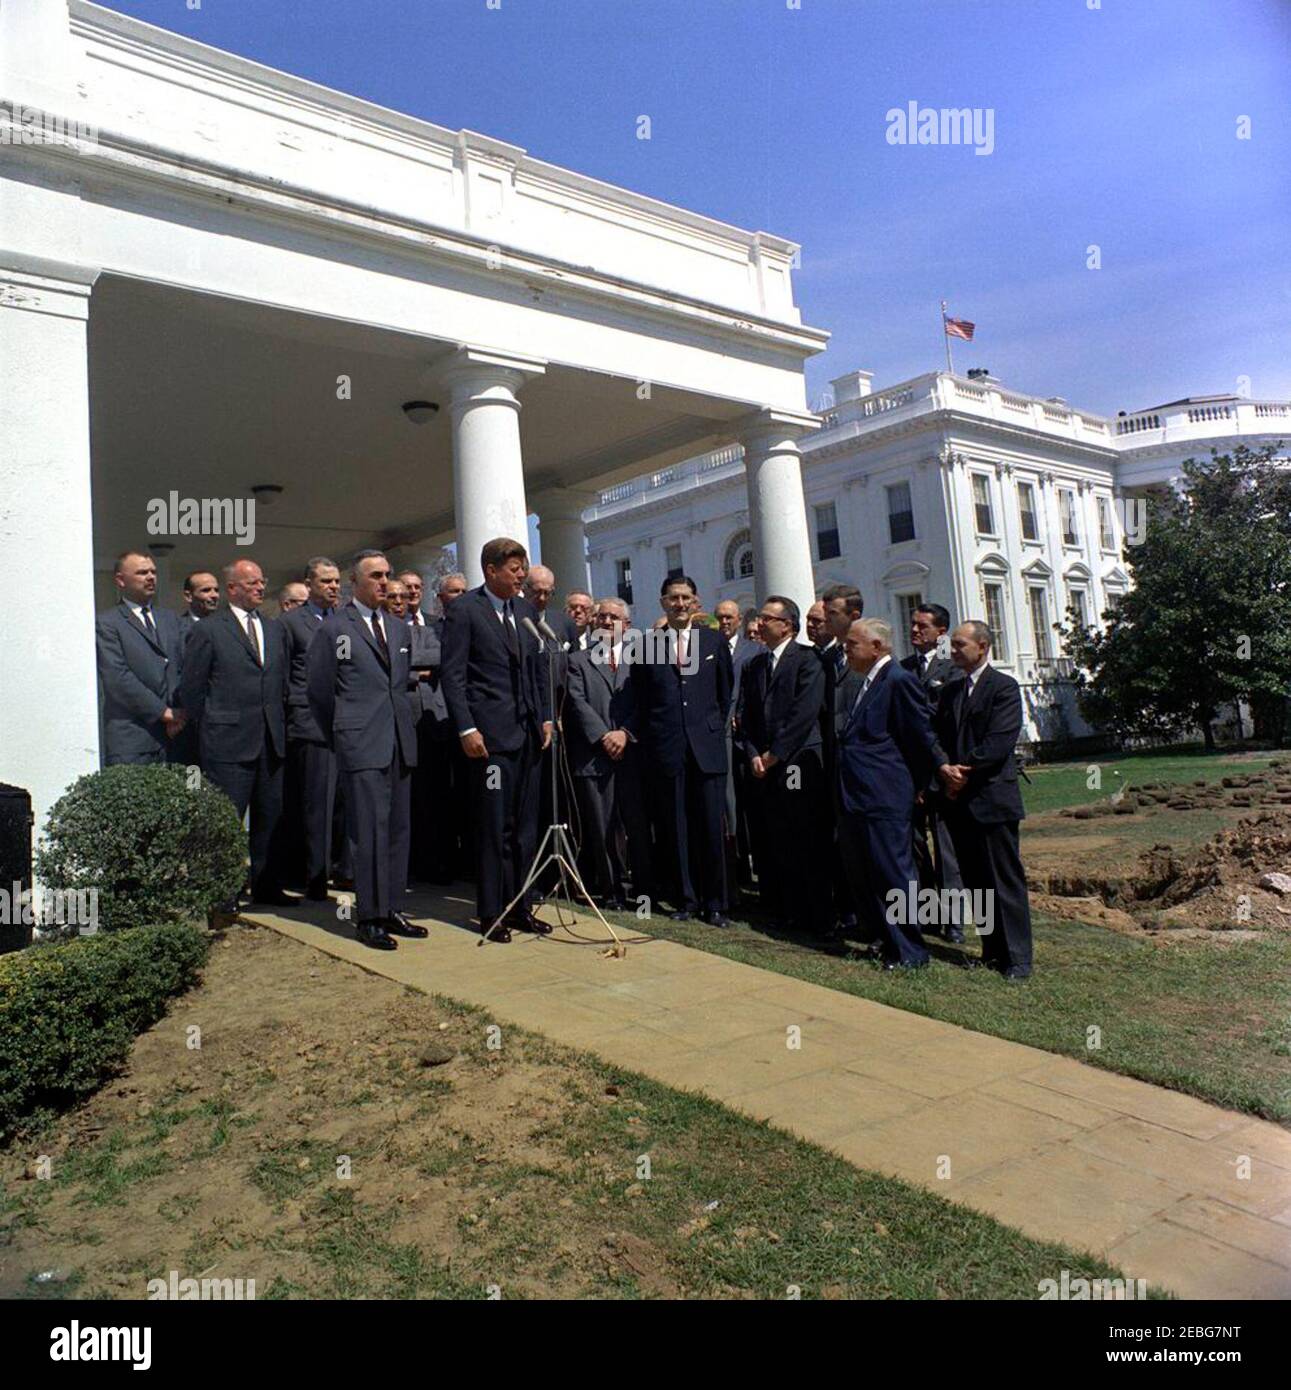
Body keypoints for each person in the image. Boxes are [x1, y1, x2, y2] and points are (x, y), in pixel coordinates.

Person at [307, 550, 423, 951]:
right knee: (368, 832)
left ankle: (392, 907)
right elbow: (320, 692)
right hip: (361, 743)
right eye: (375, 575)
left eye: (387, 575)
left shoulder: (399, 629)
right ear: (354, 582)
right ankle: (369, 917)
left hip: (399, 741)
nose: (383, 582)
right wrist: (344, 734)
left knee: (397, 830)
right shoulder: (336, 629)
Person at [440, 538, 553, 942]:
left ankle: (520, 905)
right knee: (493, 826)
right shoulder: (465, 610)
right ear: (491, 570)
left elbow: (538, 671)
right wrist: (467, 728)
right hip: (488, 742)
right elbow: (453, 676)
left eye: (523, 567)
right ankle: (491, 911)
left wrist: (545, 718)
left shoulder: (525, 611)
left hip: (526, 737)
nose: (521, 575)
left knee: (524, 829)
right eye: (514, 568)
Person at [180, 558, 290, 908]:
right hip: (226, 742)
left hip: (270, 741)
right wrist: (211, 727)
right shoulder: (209, 630)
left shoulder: (274, 630)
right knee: (226, 821)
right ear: (233, 589)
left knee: (269, 817)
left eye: (262, 581)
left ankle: (267, 886)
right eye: (253, 582)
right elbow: (192, 688)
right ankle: (223, 893)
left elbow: (281, 683)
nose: (261, 587)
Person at [836, 618, 943, 969]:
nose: (846, 650)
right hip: (859, 795)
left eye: (852, 644)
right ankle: (886, 939)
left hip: (885, 795)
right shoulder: (866, 681)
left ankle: (910, 950)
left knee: (894, 874)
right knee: (869, 873)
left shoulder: (898, 680)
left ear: (877, 647)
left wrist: (920, 785)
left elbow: (918, 737)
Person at [932, 621, 1033, 979]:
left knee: (1003, 879)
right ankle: (992, 950)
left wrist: (963, 772)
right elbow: (937, 734)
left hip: (991, 797)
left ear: (983, 646)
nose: (954, 651)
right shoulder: (950, 691)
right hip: (958, 800)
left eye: (960, 644)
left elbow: (999, 742)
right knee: (976, 880)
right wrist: (944, 768)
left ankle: (1017, 957)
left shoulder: (1003, 688)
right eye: (952, 645)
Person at [631, 575, 733, 925]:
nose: (680, 604)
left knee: (710, 826)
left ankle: (715, 903)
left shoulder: (714, 640)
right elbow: (643, 700)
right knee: (675, 827)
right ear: (662, 602)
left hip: (706, 747)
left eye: (686, 597)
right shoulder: (647, 645)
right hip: (667, 747)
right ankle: (686, 899)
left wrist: (711, 729)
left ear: (696, 601)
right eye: (673, 598)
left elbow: (723, 693)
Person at [737, 596, 831, 935]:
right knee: (775, 839)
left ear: (787, 625)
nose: (759, 623)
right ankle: (784, 908)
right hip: (763, 766)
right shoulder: (754, 666)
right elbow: (746, 716)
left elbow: (803, 713)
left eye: (766, 618)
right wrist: (752, 754)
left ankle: (816, 916)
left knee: (805, 838)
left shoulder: (808, 660)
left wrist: (775, 754)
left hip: (797, 763)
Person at [564, 598, 654, 908]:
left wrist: (624, 734)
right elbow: (576, 703)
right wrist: (604, 736)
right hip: (595, 756)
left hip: (632, 755)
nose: (605, 621)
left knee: (636, 827)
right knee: (602, 828)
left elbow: (648, 701)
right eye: (600, 616)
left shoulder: (640, 660)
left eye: (613, 617)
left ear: (626, 625)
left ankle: (641, 892)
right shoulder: (577, 660)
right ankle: (612, 890)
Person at [280, 557, 344, 901]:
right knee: (314, 805)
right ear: (309, 584)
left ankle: (340, 869)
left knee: (340, 804)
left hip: (345, 722)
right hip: (309, 724)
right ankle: (313, 877)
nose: (333, 586)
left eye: (336, 581)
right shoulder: (291, 623)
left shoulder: (345, 619)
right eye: (326, 581)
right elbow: (284, 674)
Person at [900, 602, 965, 940]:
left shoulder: (952, 669)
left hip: (941, 771)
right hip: (910, 773)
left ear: (941, 632)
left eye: (922, 625)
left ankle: (955, 921)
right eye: (912, 624)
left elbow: (941, 719)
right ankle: (927, 914)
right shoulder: (904, 667)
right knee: (914, 847)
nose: (914, 630)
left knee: (948, 848)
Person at [96, 551, 187, 766]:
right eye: (142, 572)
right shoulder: (107, 623)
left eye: (153, 572)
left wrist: (179, 712)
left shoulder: (170, 619)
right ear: (120, 580)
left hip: (175, 734)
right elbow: (117, 677)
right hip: (132, 739)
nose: (150, 577)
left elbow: (182, 666)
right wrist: (162, 712)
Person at [819, 583, 863, 685]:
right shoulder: (825, 657)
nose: (825, 618)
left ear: (854, 616)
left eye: (832, 613)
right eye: (825, 612)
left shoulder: (871, 654)